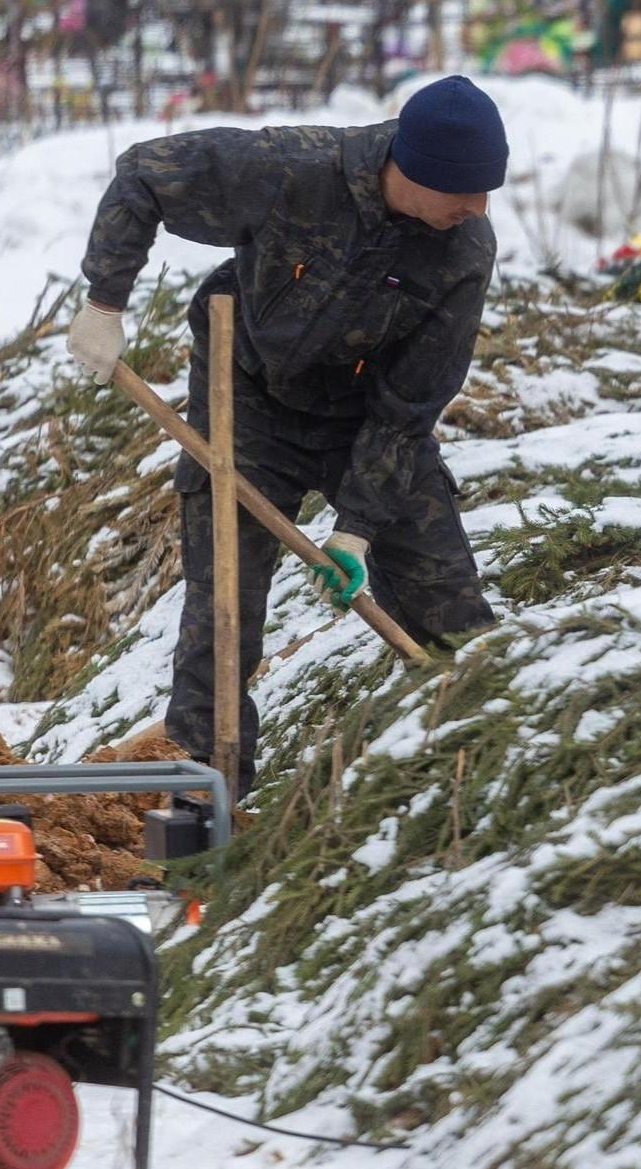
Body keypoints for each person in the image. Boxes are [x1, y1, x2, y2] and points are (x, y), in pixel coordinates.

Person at [63, 77, 508, 775]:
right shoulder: (294, 171)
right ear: (413, 170)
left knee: (448, 603)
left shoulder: (462, 251)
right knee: (223, 616)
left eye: (487, 192)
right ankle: (210, 799)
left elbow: (410, 405)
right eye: (464, 191)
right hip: (248, 405)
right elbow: (145, 176)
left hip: (366, 422)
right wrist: (103, 301)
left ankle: (479, 760)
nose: (477, 208)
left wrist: (356, 528)